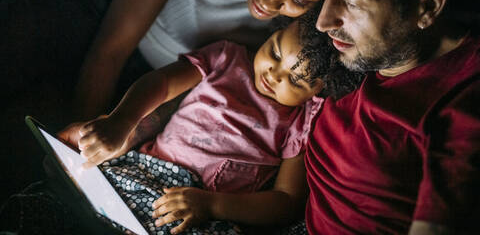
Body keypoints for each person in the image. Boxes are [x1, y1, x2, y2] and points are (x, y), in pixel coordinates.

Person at [0, 0, 333, 201]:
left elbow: (186, 95)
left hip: (175, 81)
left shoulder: (308, 32)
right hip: (105, 19)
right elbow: (109, 52)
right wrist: (88, 148)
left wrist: (99, 153)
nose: (271, 0)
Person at [56, 17, 361, 234]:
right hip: (144, 166)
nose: (275, 74)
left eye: (296, 80)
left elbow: (287, 202)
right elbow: (162, 84)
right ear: (274, 33)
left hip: (199, 208)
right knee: (73, 197)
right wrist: (121, 121)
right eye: (275, 52)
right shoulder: (227, 58)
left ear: (318, 92)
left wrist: (214, 206)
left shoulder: (300, 122)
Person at [304, 0, 480, 234]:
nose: (323, 20)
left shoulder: (465, 102)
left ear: (428, 6)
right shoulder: (368, 52)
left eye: (352, 2)